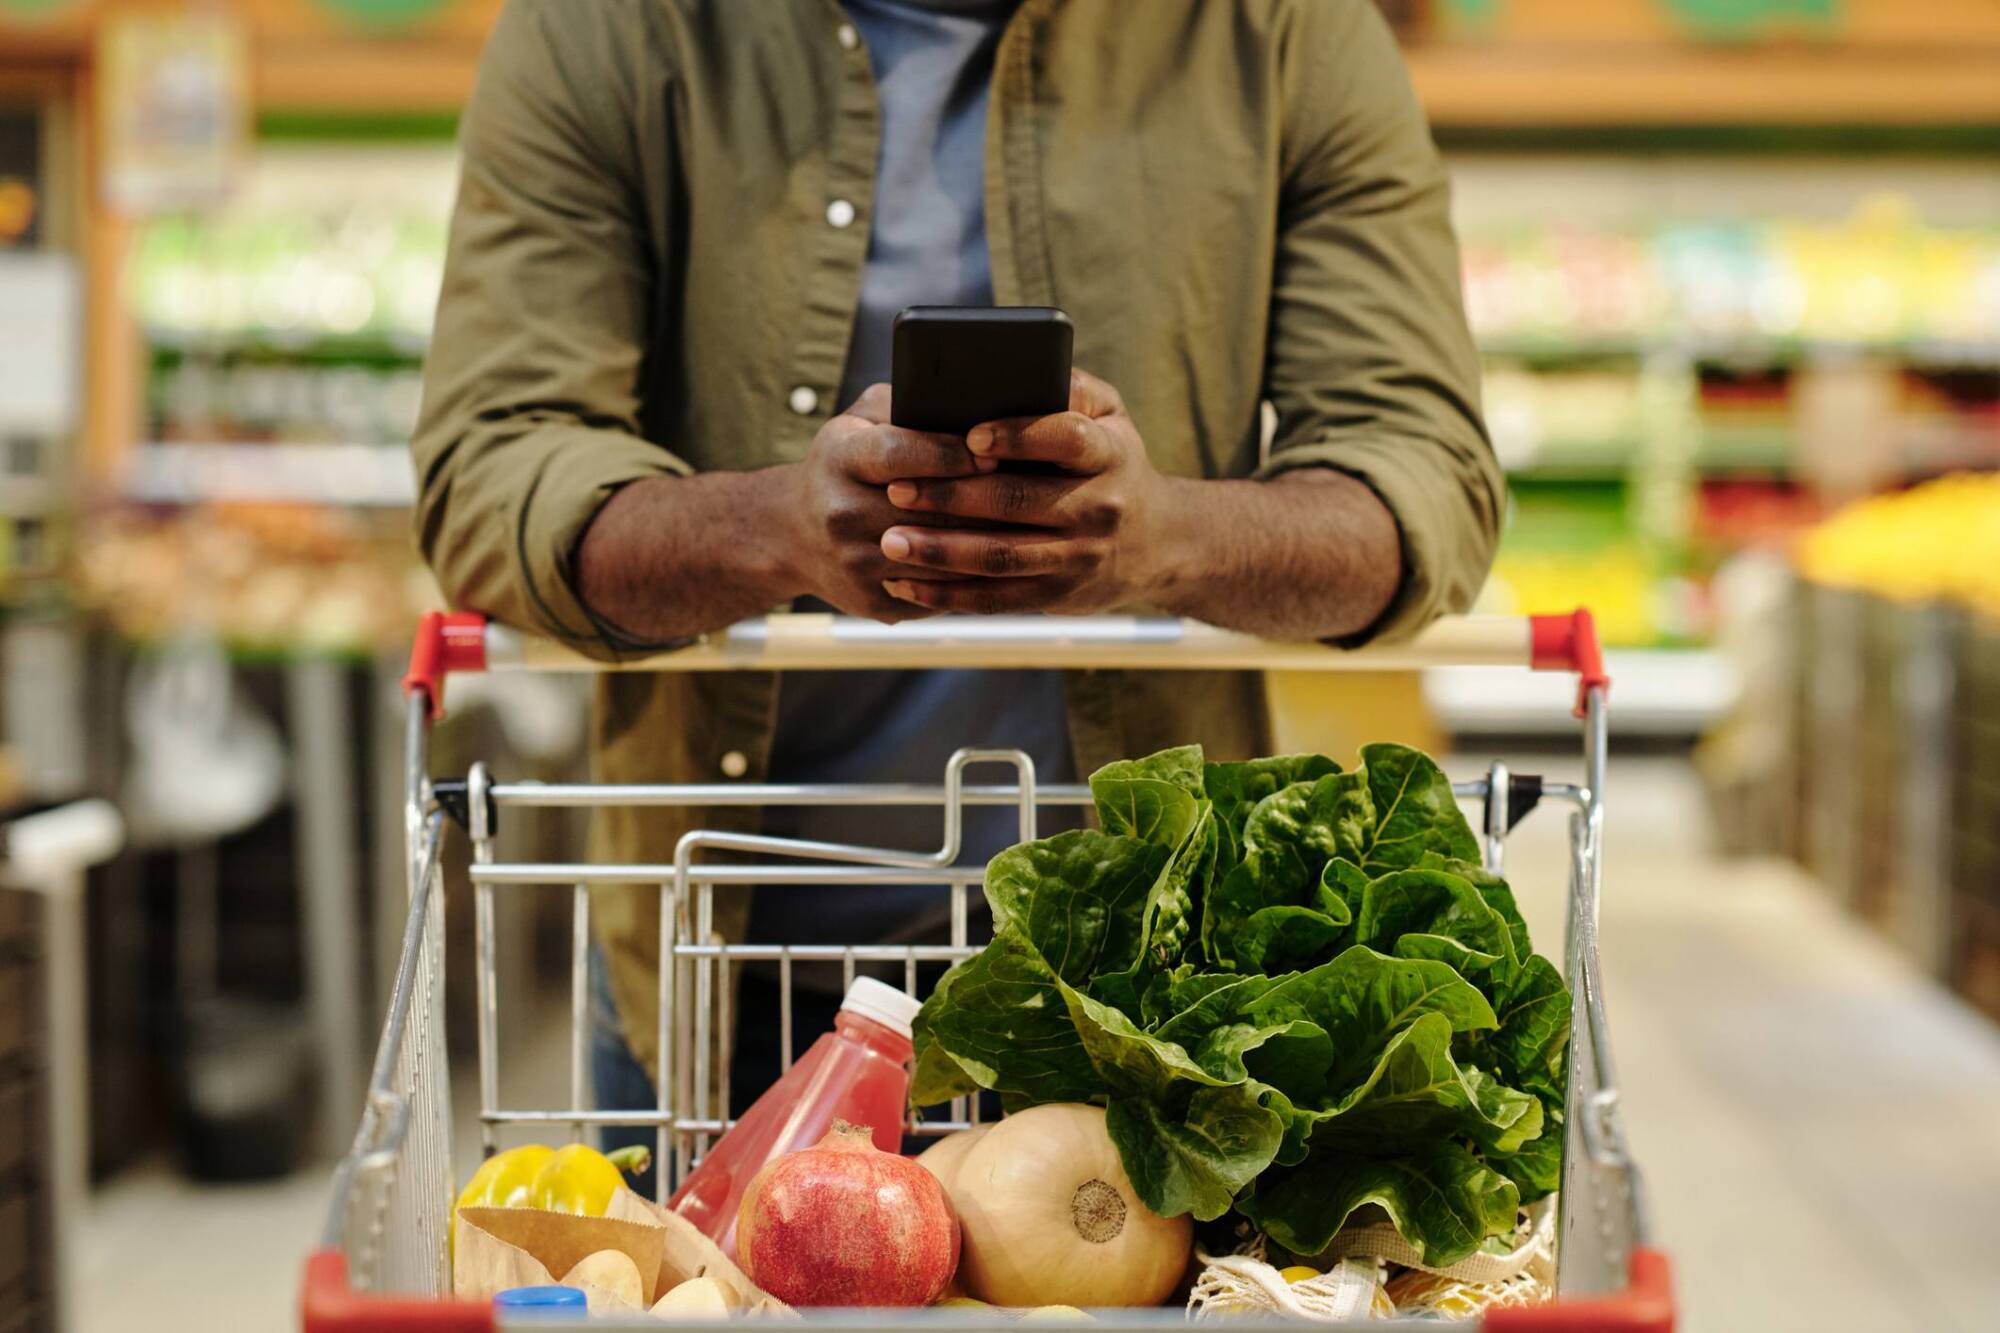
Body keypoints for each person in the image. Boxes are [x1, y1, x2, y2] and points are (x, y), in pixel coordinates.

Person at [413, 0, 1500, 1181]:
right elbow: (491, 468)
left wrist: (1160, 540)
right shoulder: (610, 27)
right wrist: (782, 530)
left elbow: (1424, 482)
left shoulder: (1284, 30)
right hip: (709, 981)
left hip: (1156, 1020)